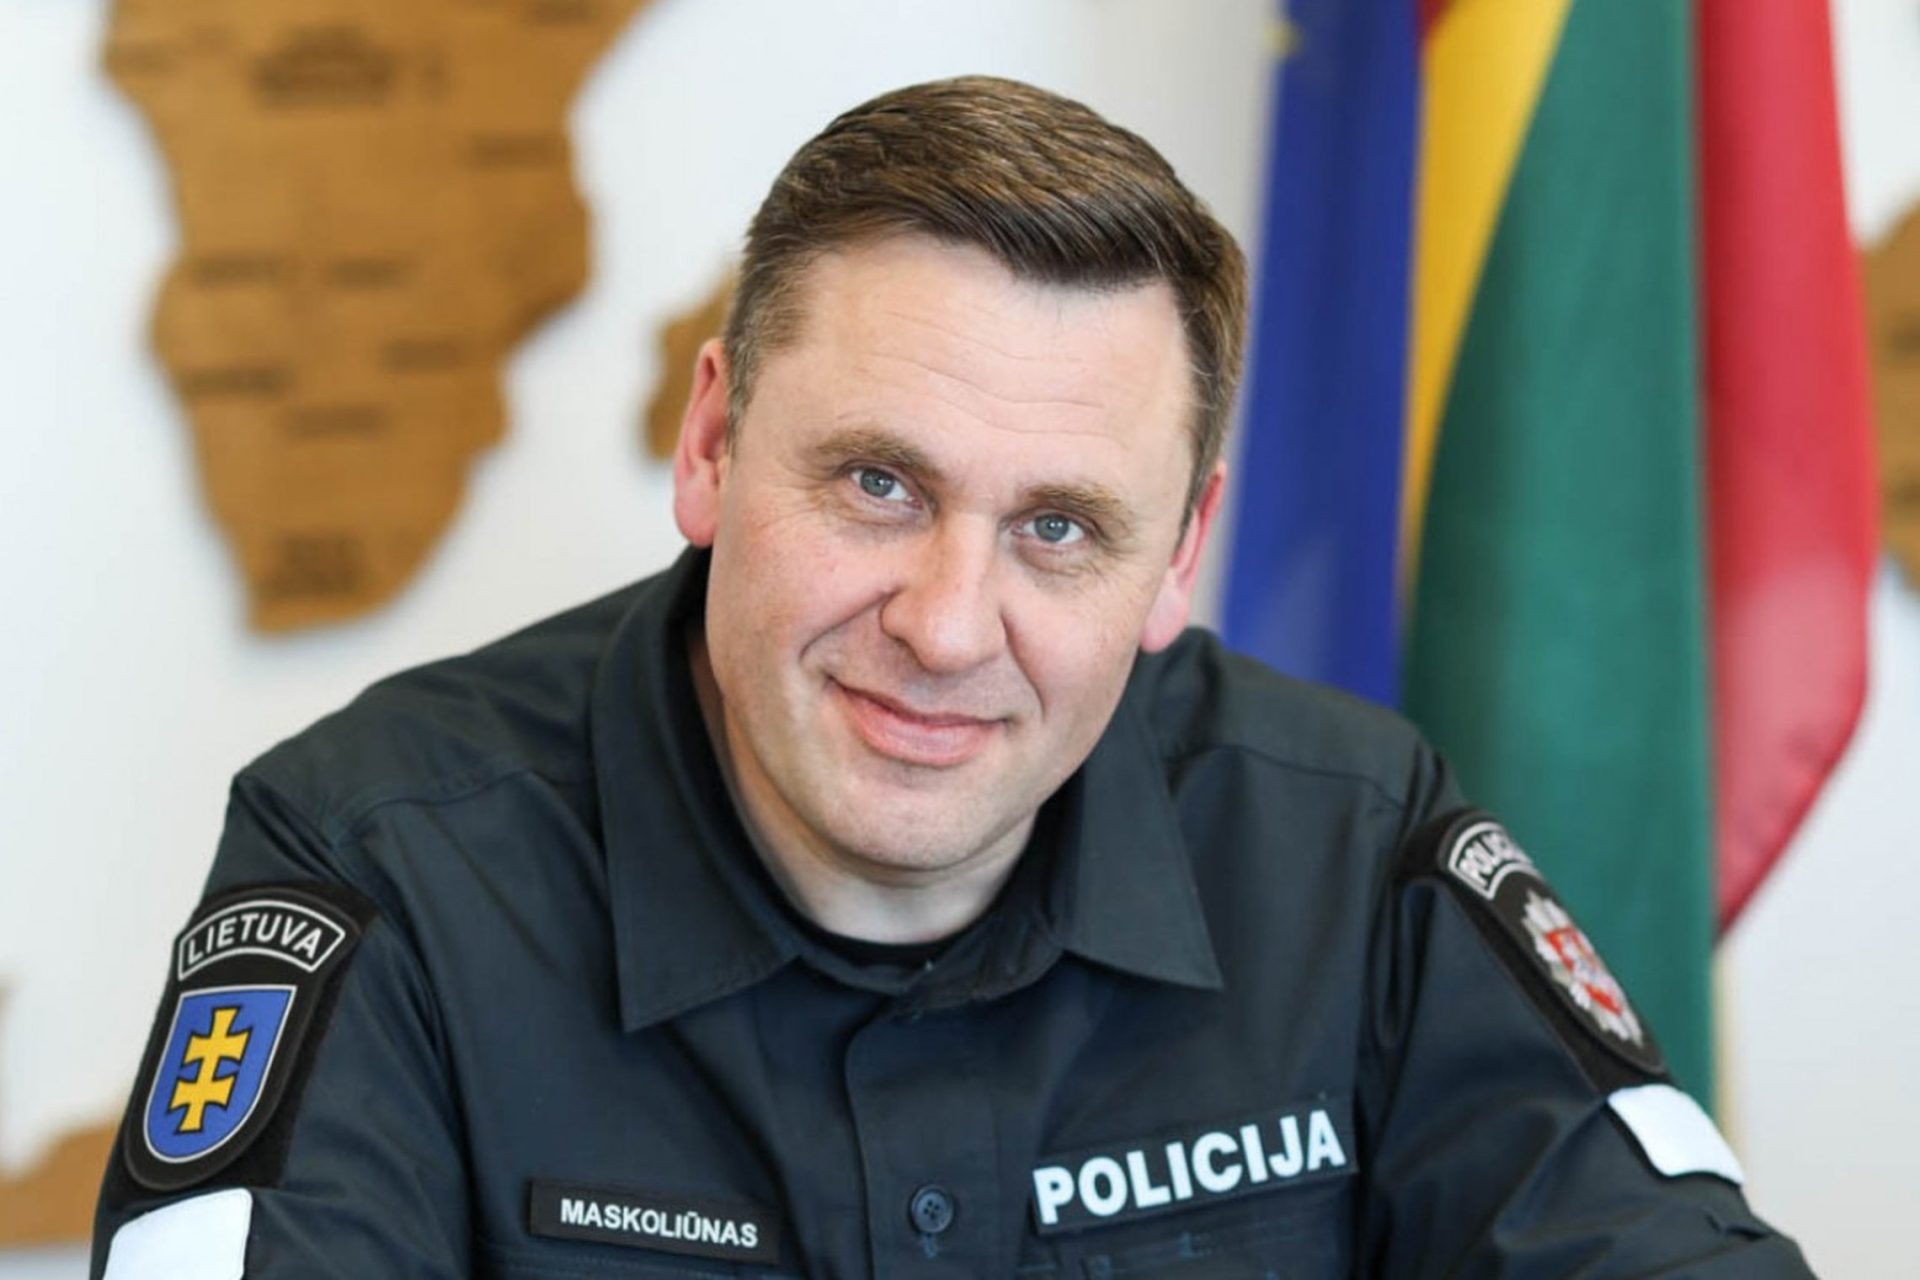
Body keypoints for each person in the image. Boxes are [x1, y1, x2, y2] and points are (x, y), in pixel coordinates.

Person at [94, 76, 1812, 1277]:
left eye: (1060, 527)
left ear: (1182, 554)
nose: (946, 623)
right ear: (712, 444)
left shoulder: (1348, 852)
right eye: (878, 484)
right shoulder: (380, 865)